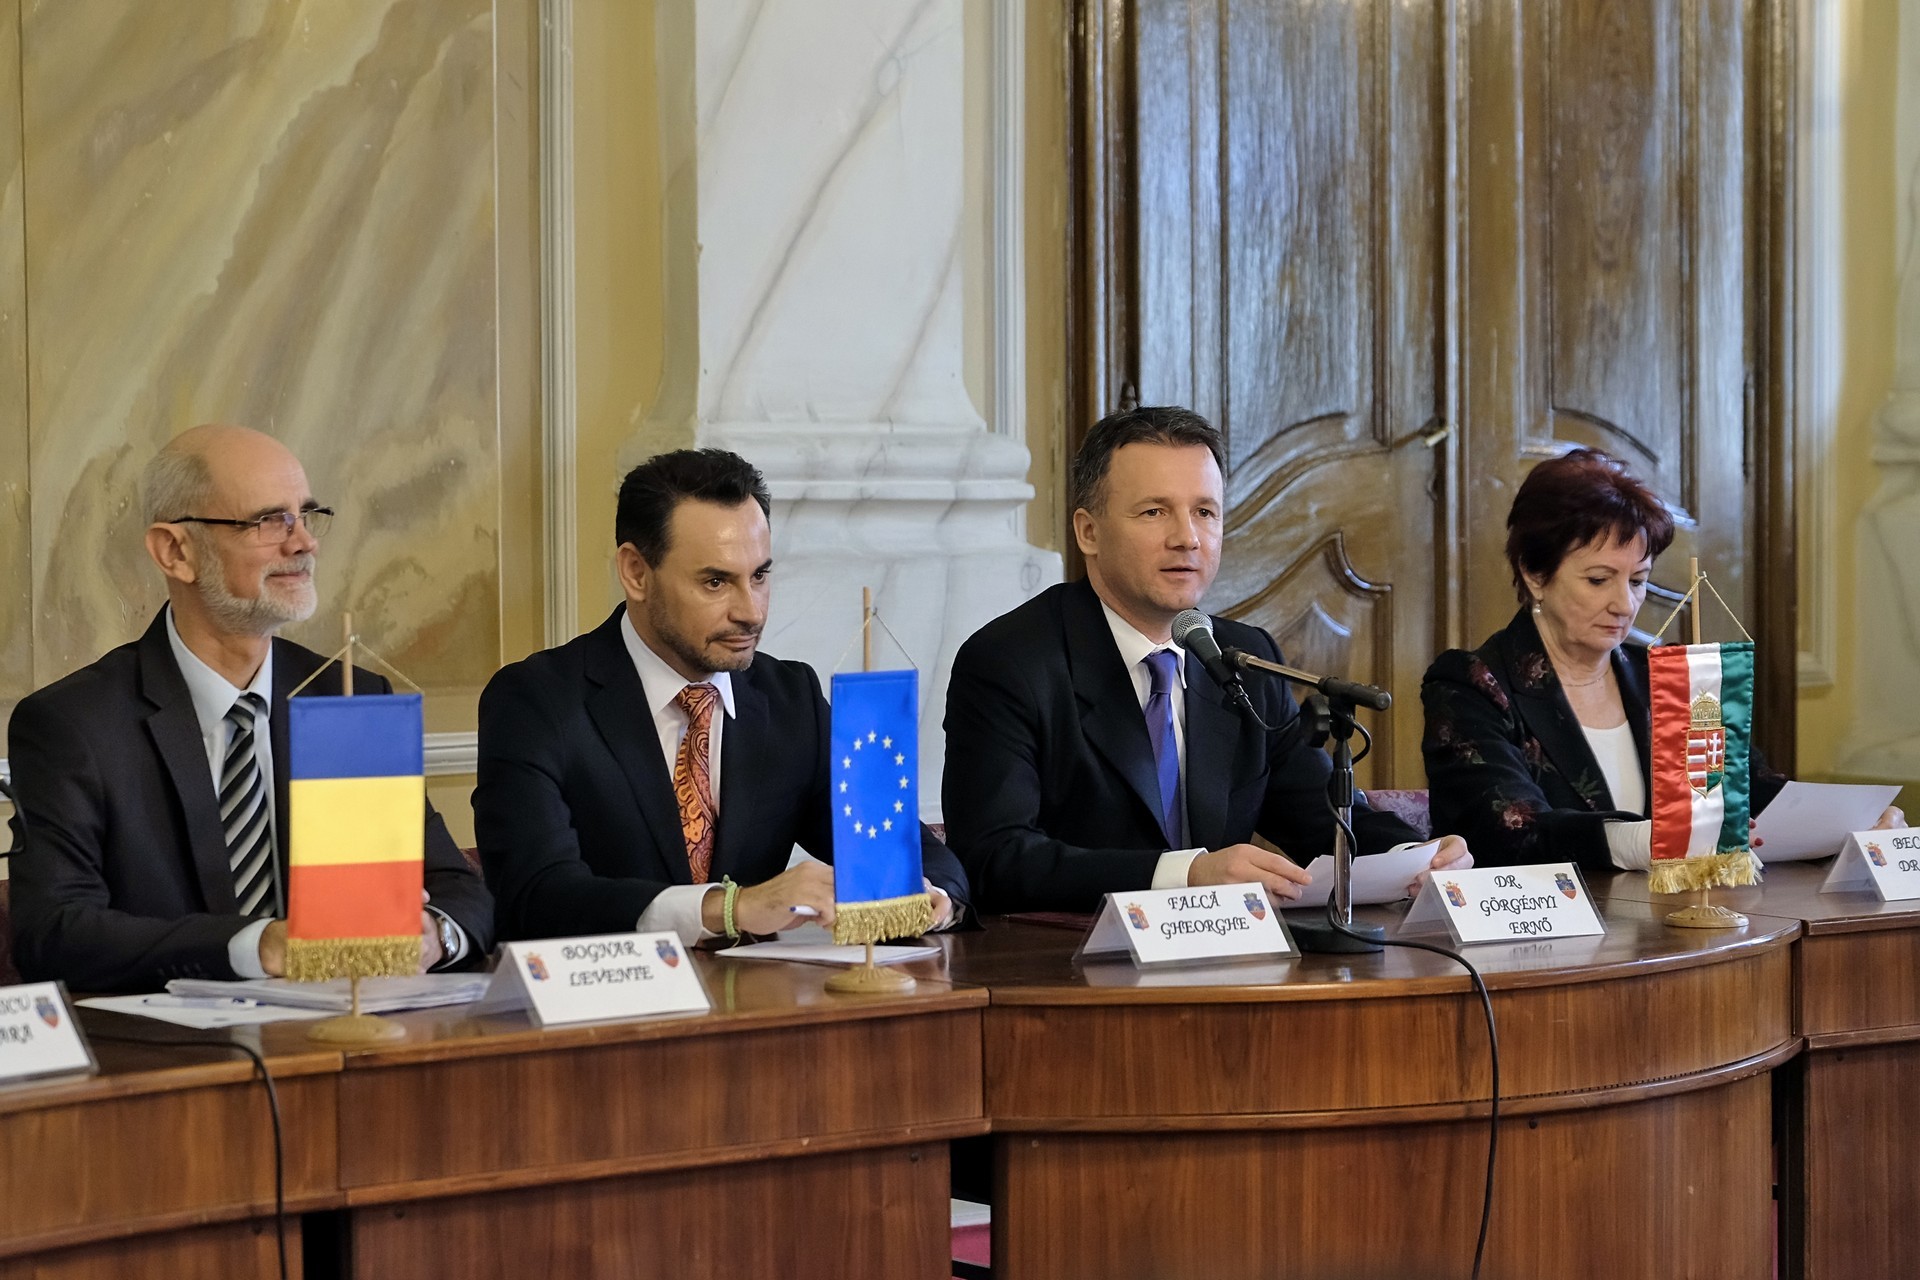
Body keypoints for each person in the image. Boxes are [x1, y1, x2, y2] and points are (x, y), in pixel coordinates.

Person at [7, 425, 494, 992]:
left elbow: (458, 888)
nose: (304, 543)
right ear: (175, 551)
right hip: (175, 1040)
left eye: (306, 515)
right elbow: (55, 932)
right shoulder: (75, 724)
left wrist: (434, 934)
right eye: (269, 521)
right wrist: (257, 945)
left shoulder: (347, 696)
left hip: (353, 1023)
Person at [941, 406, 1472, 914]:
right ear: (1089, 532)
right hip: (1069, 959)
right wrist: (1185, 875)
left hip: (1228, 955)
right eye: (1154, 512)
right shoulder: (1009, 663)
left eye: (1204, 512)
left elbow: (1321, 819)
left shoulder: (1245, 660)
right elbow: (994, 858)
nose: (1186, 538)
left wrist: (1417, 856)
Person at [474, 448, 969, 945]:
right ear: (636, 572)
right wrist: (731, 907)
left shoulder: (791, 700)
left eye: (760, 576)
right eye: (716, 582)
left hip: (755, 991)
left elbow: (914, 853)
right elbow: (534, 897)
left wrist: (930, 899)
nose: (751, 612)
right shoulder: (535, 702)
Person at [1421, 446, 1902, 871]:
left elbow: (1748, 792)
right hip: (1543, 931)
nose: (1624, 604)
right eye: (1598, 580)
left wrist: (1852, 822)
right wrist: (1646, 841)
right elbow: (1509, 830)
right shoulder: (1472, 684)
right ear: (1534, 574)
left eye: (1637, 581)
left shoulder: (1664, 674)